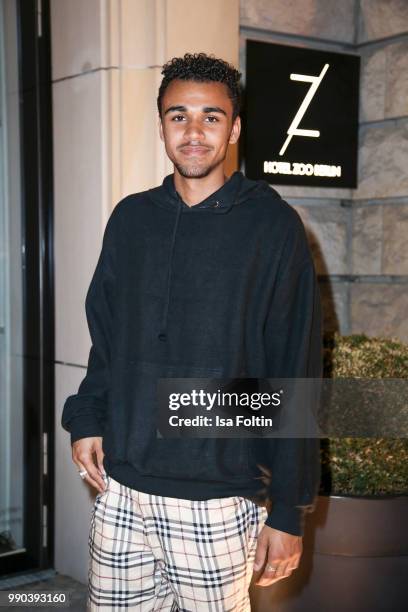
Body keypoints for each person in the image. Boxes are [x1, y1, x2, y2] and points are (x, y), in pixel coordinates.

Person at [61, 52, 322, 611]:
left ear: (235, 128)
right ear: (161, 126)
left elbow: (294, 370)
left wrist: (286, 510)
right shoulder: (131, 220)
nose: (195, 132)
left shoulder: (273, 226)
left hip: (220, 501)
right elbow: (106, 340)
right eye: (179, 116)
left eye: (211, 116)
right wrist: (86, 419)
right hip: (122, 490)